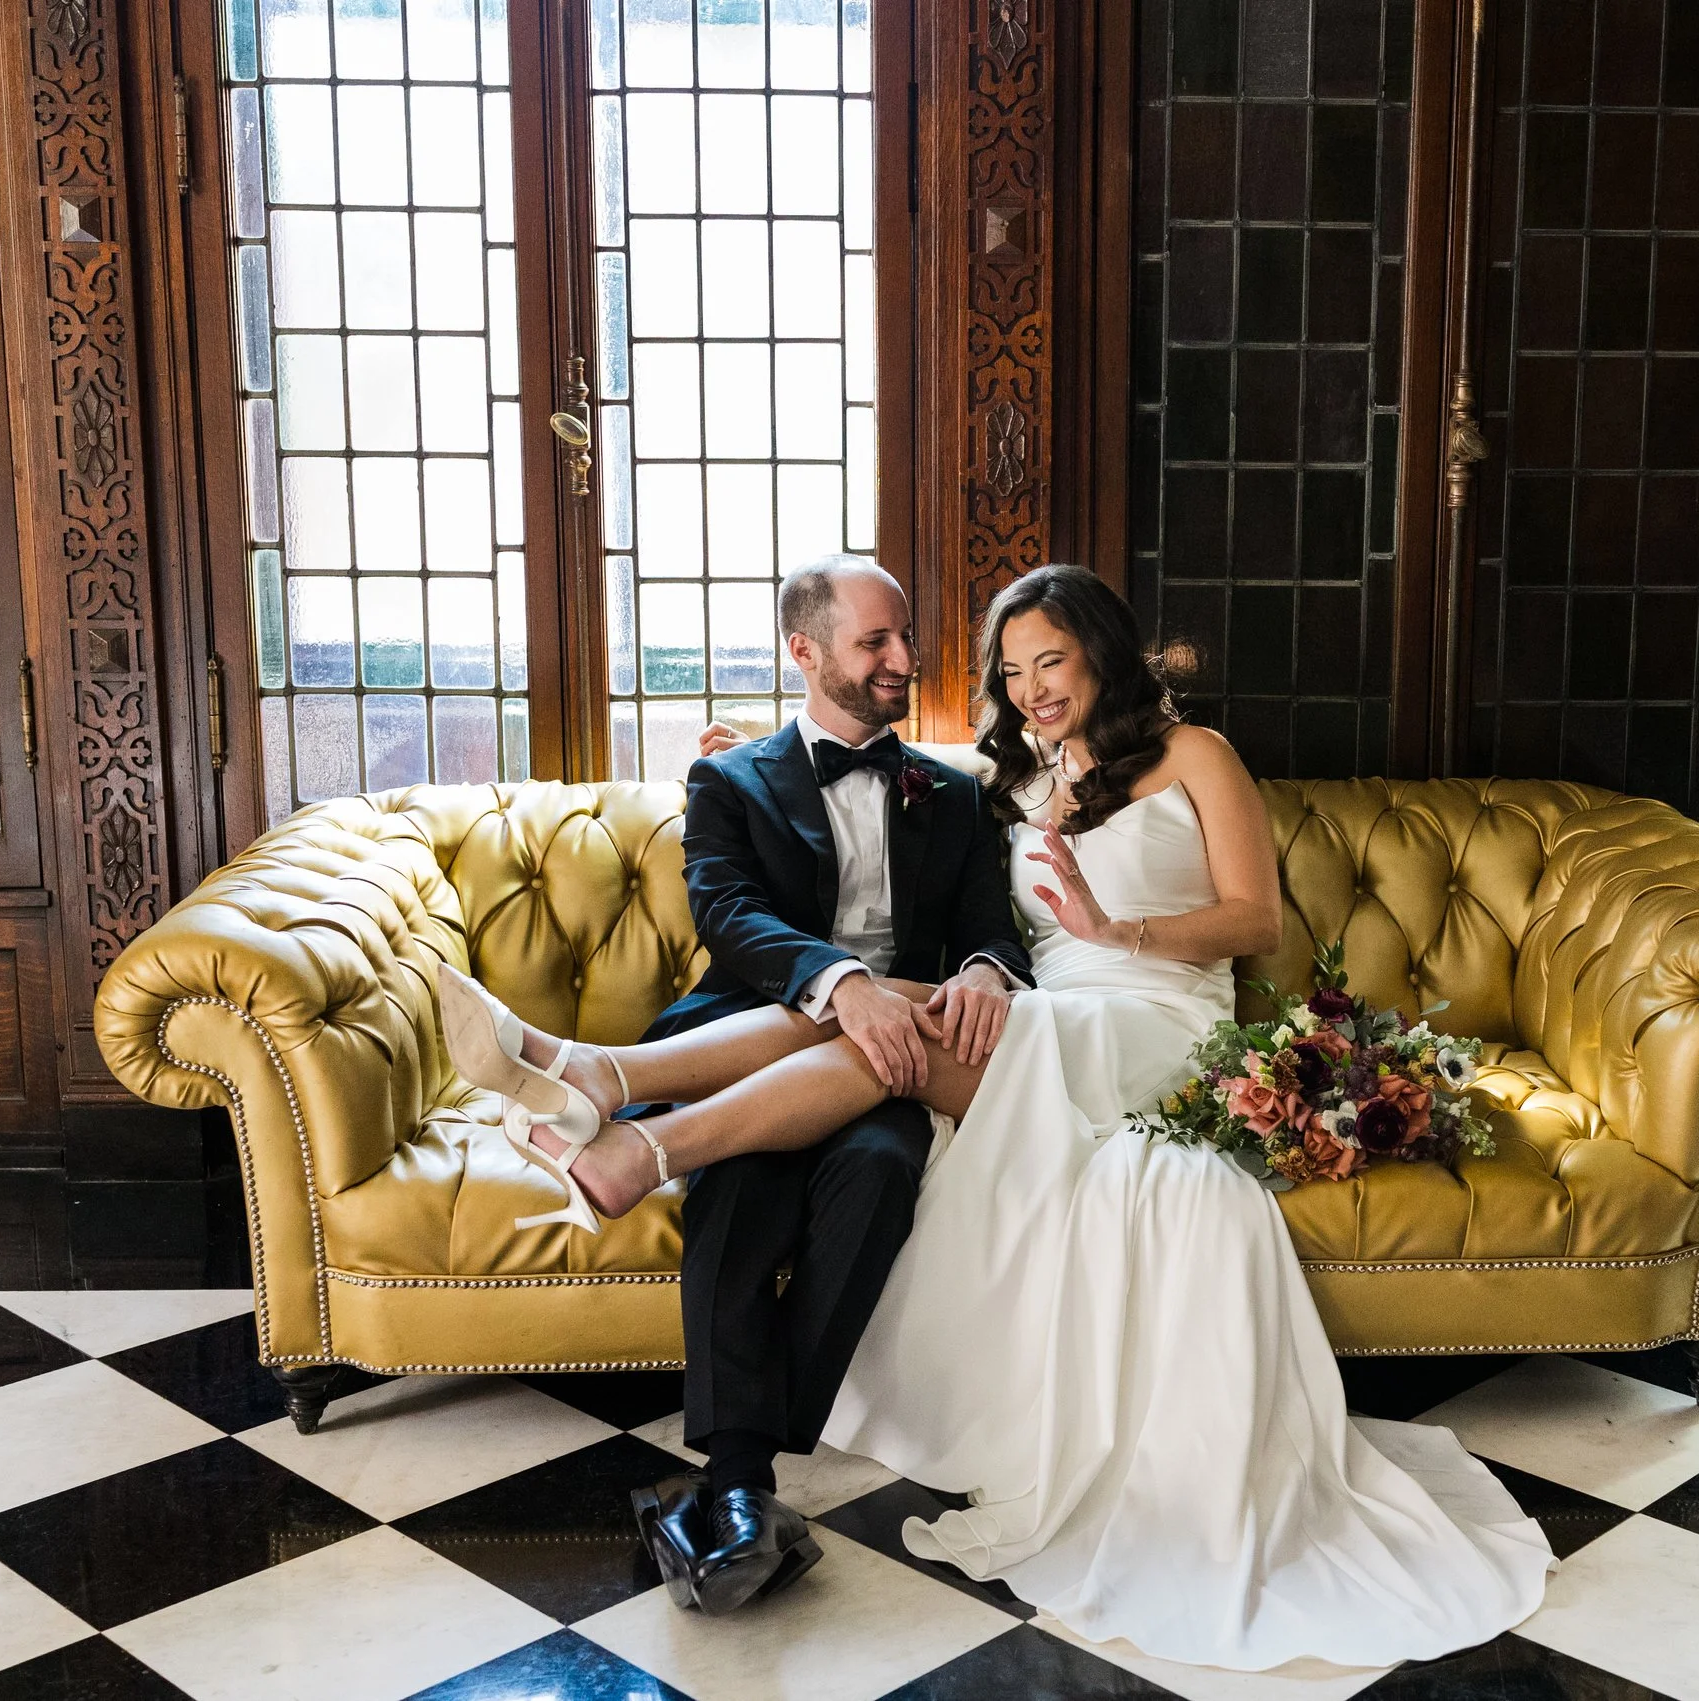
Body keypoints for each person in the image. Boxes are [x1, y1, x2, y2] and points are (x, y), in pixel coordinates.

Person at [447, 562, 1552, 1668]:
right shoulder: (1002, 778)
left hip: (1154, 1020)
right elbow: (859, 782)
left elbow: (1252, 920)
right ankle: (608, 1094)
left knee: (891, 1024)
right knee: (873, 1011)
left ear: (1103, 654)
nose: (1031, 690)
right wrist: (753, 743)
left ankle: (631, 1121)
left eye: (1051, 663)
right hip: (1044, 1019)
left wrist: (1114, 930)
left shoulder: (1196, 755)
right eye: (1012, 671)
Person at [437, 554, 1033, 1616]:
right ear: (804, 653)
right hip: (746, 1032)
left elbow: (992, 926)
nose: (904, 658)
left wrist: (985, 971)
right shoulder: (731, 780)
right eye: (875, 643)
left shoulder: (949, 793)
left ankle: (735, 1464)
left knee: (877, 1179)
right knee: (742, 1190)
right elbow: (729, 916)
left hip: (885, 1070)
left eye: (905, 638)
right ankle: (741, 1482)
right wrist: (838, 979)